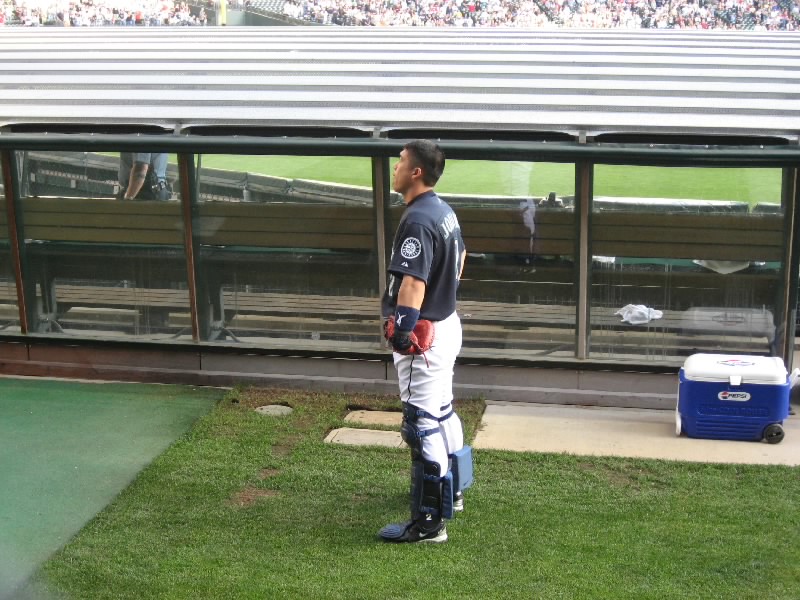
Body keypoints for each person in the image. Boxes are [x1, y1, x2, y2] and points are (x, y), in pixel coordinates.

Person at [378, 139, 470, 544]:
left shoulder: (417, 219)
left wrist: (403, 329)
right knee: (442, 411)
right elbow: (462, 257)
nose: (395, 167)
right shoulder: (442, 210)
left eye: (400, 162)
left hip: (425, 336)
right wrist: (443, 295)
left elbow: (413, 283)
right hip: (446, 323)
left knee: (420, 424)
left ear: (416, 172)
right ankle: (454, 490)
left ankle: (430, 522)